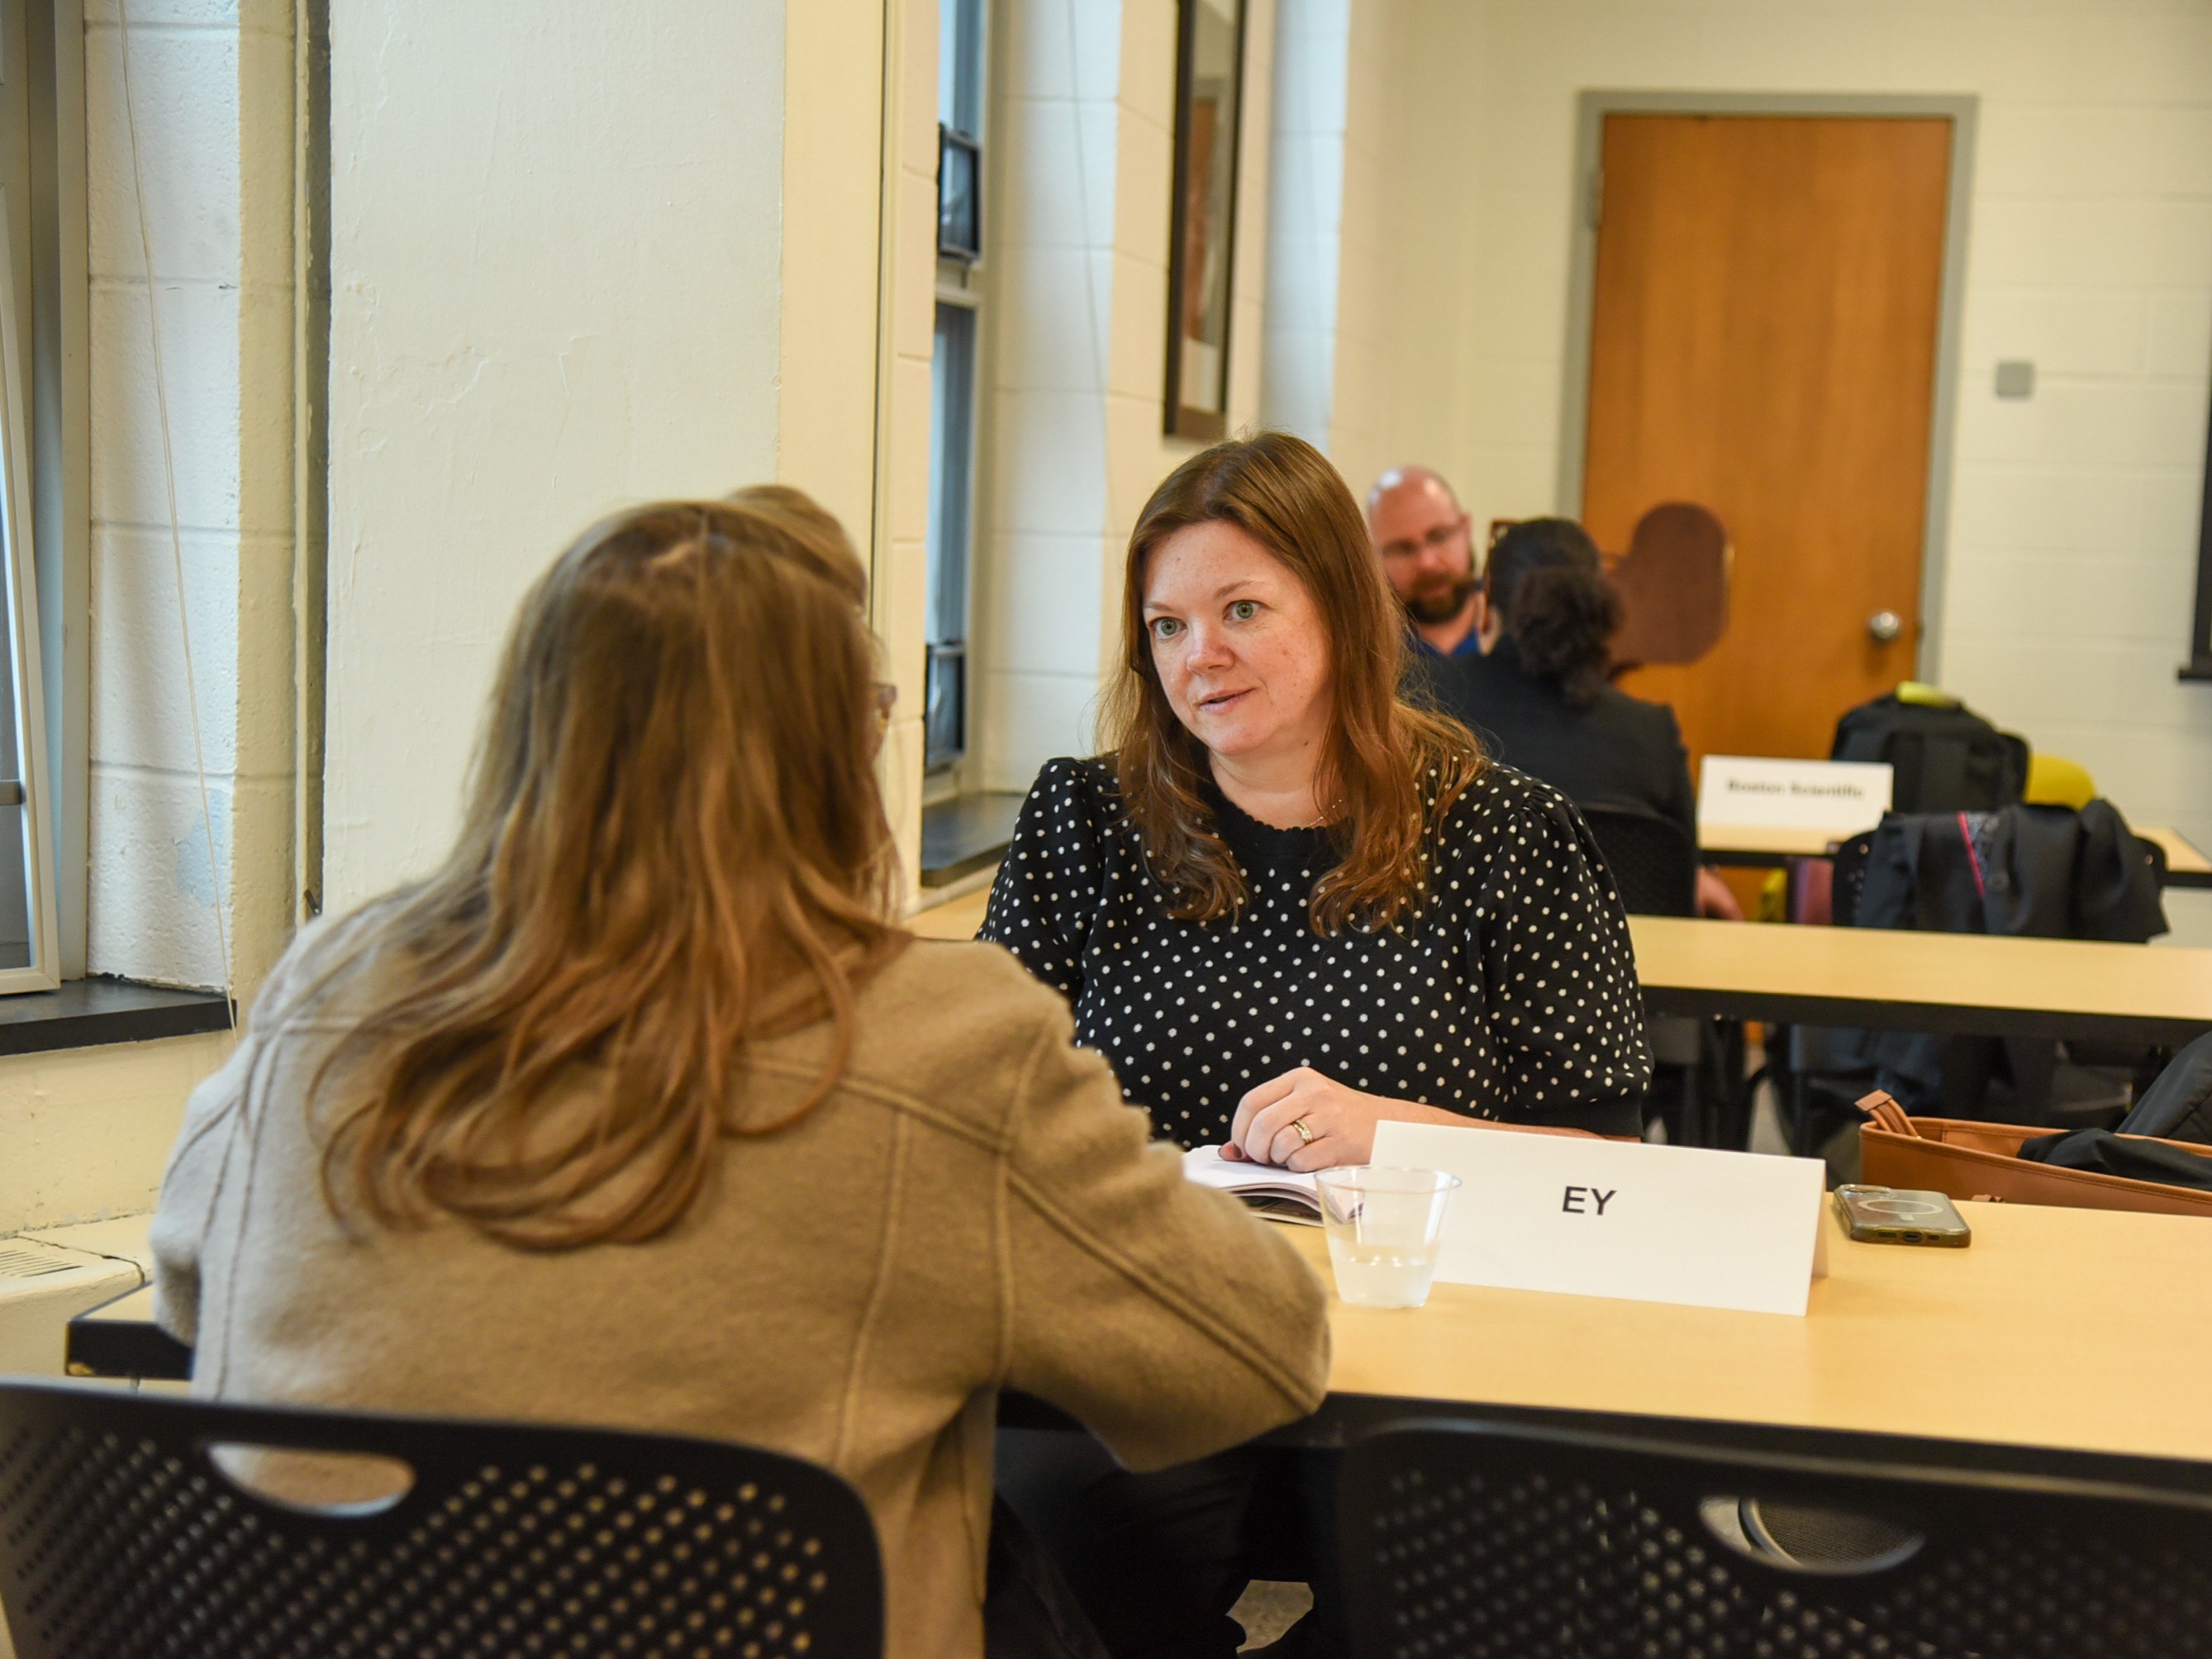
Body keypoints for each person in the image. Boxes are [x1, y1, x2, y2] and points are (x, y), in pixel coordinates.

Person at [148, 491, 1331, 1659]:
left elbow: (189, 1291)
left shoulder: (329, 985)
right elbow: (1253, 1356)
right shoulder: (943, 1043)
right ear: (837, 750)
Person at [981, 434, 1651, 1659]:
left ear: (1344, 610)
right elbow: (988, 1111)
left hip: (1431, 1346)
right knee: (1043, 1549)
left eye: (1242, 610)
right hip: (1158, 1333)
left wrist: (1400, 1135)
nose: (1201, 658)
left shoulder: (1509, 836)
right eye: (1168, 627)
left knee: (1460, 1596)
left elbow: (1605, 1167)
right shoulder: (1083, 822)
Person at [1429, 516, 1743, 920]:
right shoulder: (1651, 733)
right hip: (1614, 976)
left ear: (1487, 600)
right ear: (1597, 603)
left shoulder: (1425, 704)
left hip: (1454, 974)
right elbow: (1683, 873)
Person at [1366, 463, 1485, 659]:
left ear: (1466, 528)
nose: (1427, 563)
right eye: (1403, 549)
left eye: (1439, 537)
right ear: (1374, 558)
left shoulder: (1518, 634)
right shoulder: (1366, 653)